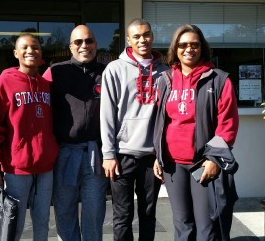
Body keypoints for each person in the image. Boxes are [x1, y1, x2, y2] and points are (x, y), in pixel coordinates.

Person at [153, 24, 239, 241]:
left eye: (194, 44)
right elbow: (161, 122)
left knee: (207, 227)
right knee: (182, 224)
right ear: (175, 48)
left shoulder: (218, 79)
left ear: (202, 48)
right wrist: (158, 155)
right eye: (183, 45)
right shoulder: (165, 80)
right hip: (173, 165)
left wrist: (214, 159)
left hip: (203, 163)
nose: (188, 49)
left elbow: (227, 123)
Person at [0, 33, 59, 241]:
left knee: (42, 224)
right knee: (14, 225)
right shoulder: (4, 83)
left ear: (41, 53)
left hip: (45, 168)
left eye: (35, 47)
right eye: (24, 47)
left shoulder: (45, 85)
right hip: (16, 169)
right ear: (16, 53)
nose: (30, 51)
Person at [101, 18, 169, 241]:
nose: (142, 40)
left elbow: (169, 118)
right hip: (122, 155)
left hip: (152, 158)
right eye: (137, 36)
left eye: (146, 34)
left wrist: (162, 155)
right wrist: (109, 154)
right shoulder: (114, 69)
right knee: (122, 216)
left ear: (152, 36)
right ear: (128, 40)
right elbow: (107, 114)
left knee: (148, 214)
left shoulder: (166, 72)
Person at [43, 25, 108, 241]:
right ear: (70, 46)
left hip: (94, 153)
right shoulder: (55, 72)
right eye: (78, 42)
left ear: (95, 44)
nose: (84, 46)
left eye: (88, 41)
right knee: (64, 211)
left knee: (94, 213)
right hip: (65, 153)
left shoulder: (106, 72)